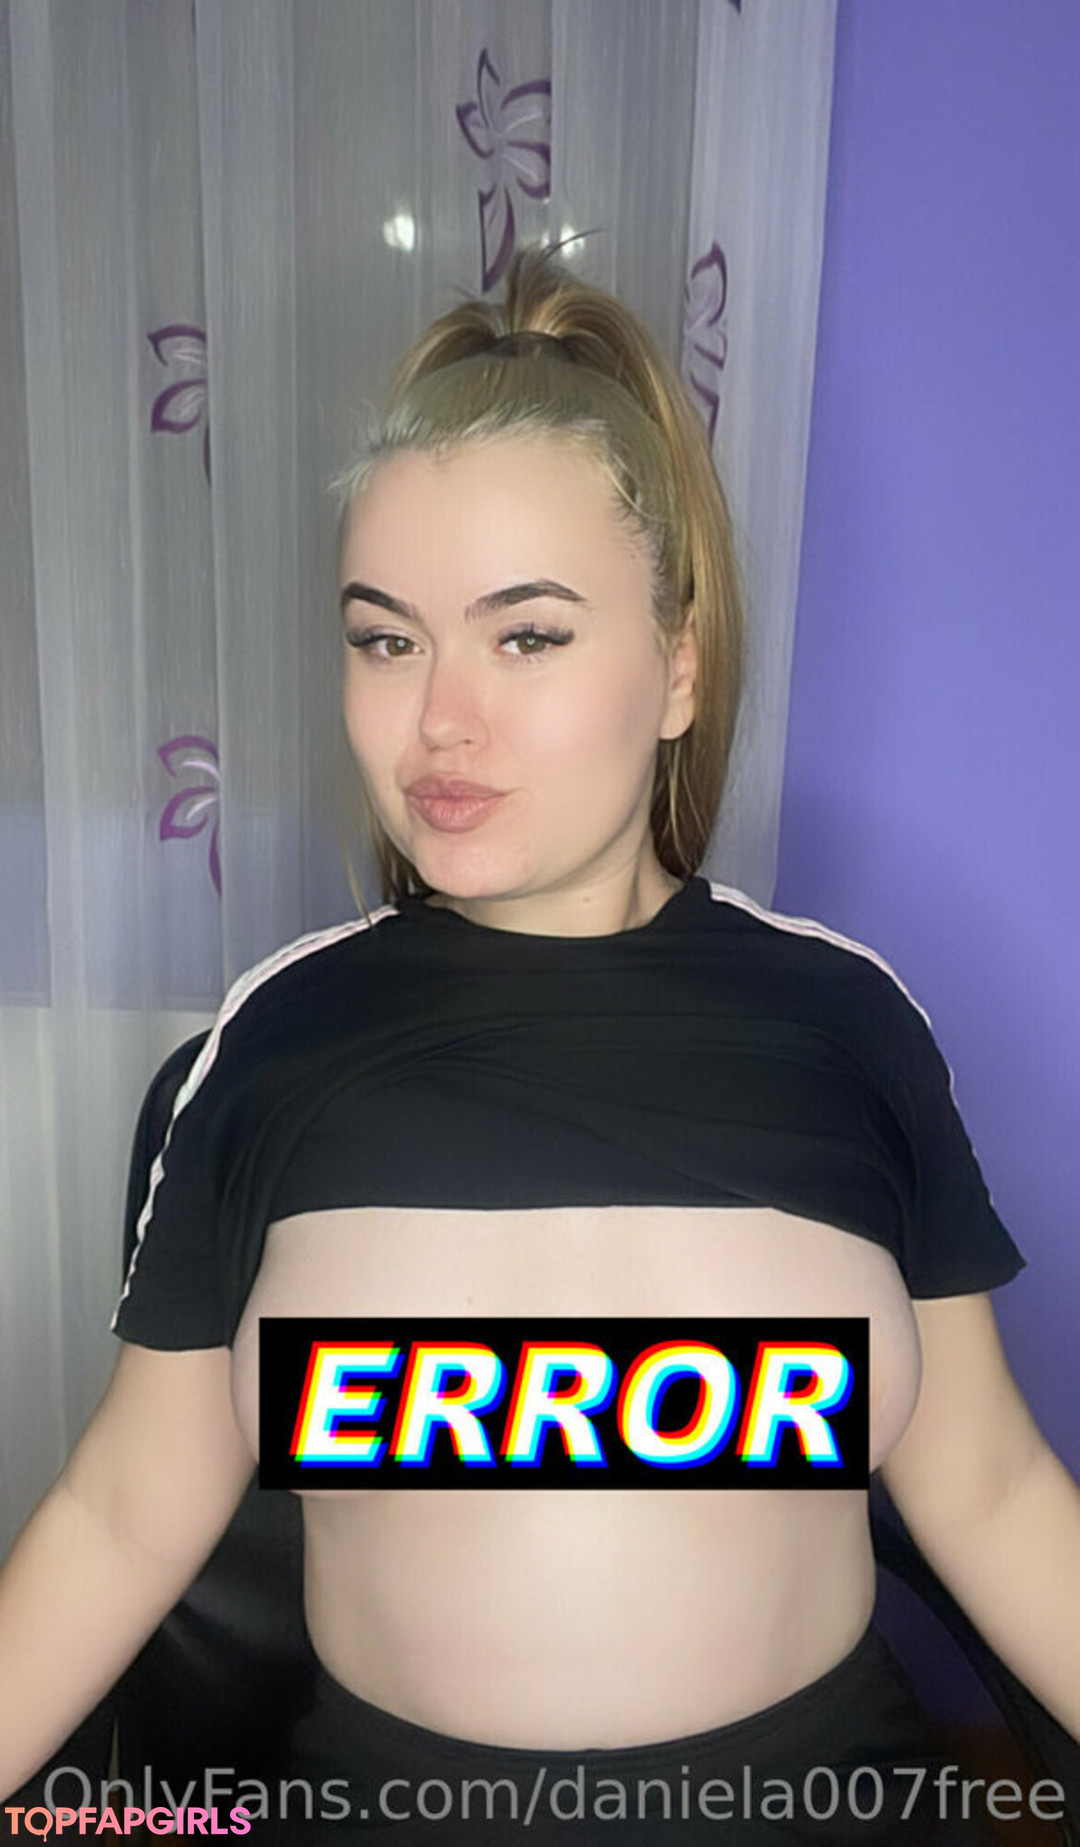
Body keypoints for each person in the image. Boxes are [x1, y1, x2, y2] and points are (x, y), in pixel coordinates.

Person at [2, 247, 1078, 1846]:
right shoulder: (274, 1049)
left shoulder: (845, 1025)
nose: (441, 719)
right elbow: (119, 1516)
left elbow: (986, 1489)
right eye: (386, 640)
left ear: (679, 667)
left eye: (527, 638)